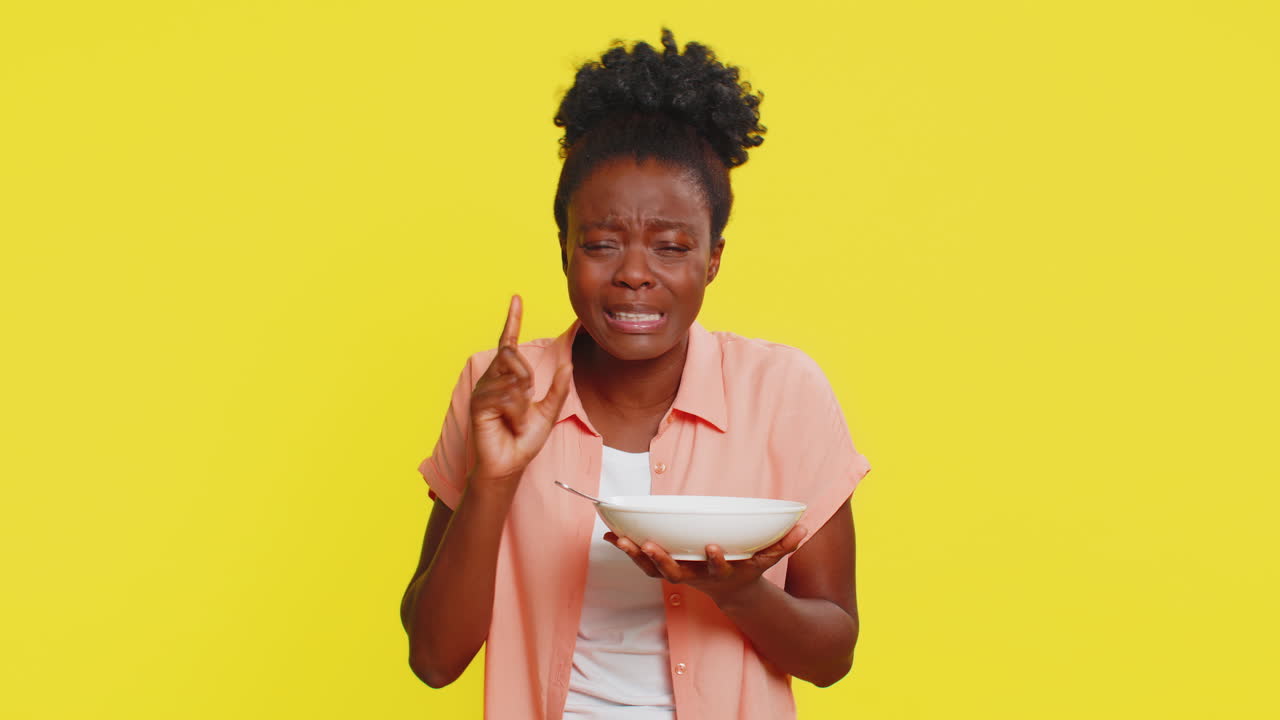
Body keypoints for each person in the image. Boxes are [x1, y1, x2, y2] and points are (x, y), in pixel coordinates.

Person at [401, 29, 871, 720]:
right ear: (564, 249)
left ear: (713, 259)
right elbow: (434, 662)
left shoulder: (784, 393)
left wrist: (740, 592)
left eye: (672, 247)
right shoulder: (500, 388)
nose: (633, 274)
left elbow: (833, 657)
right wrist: (494, 479)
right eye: (600, 243)